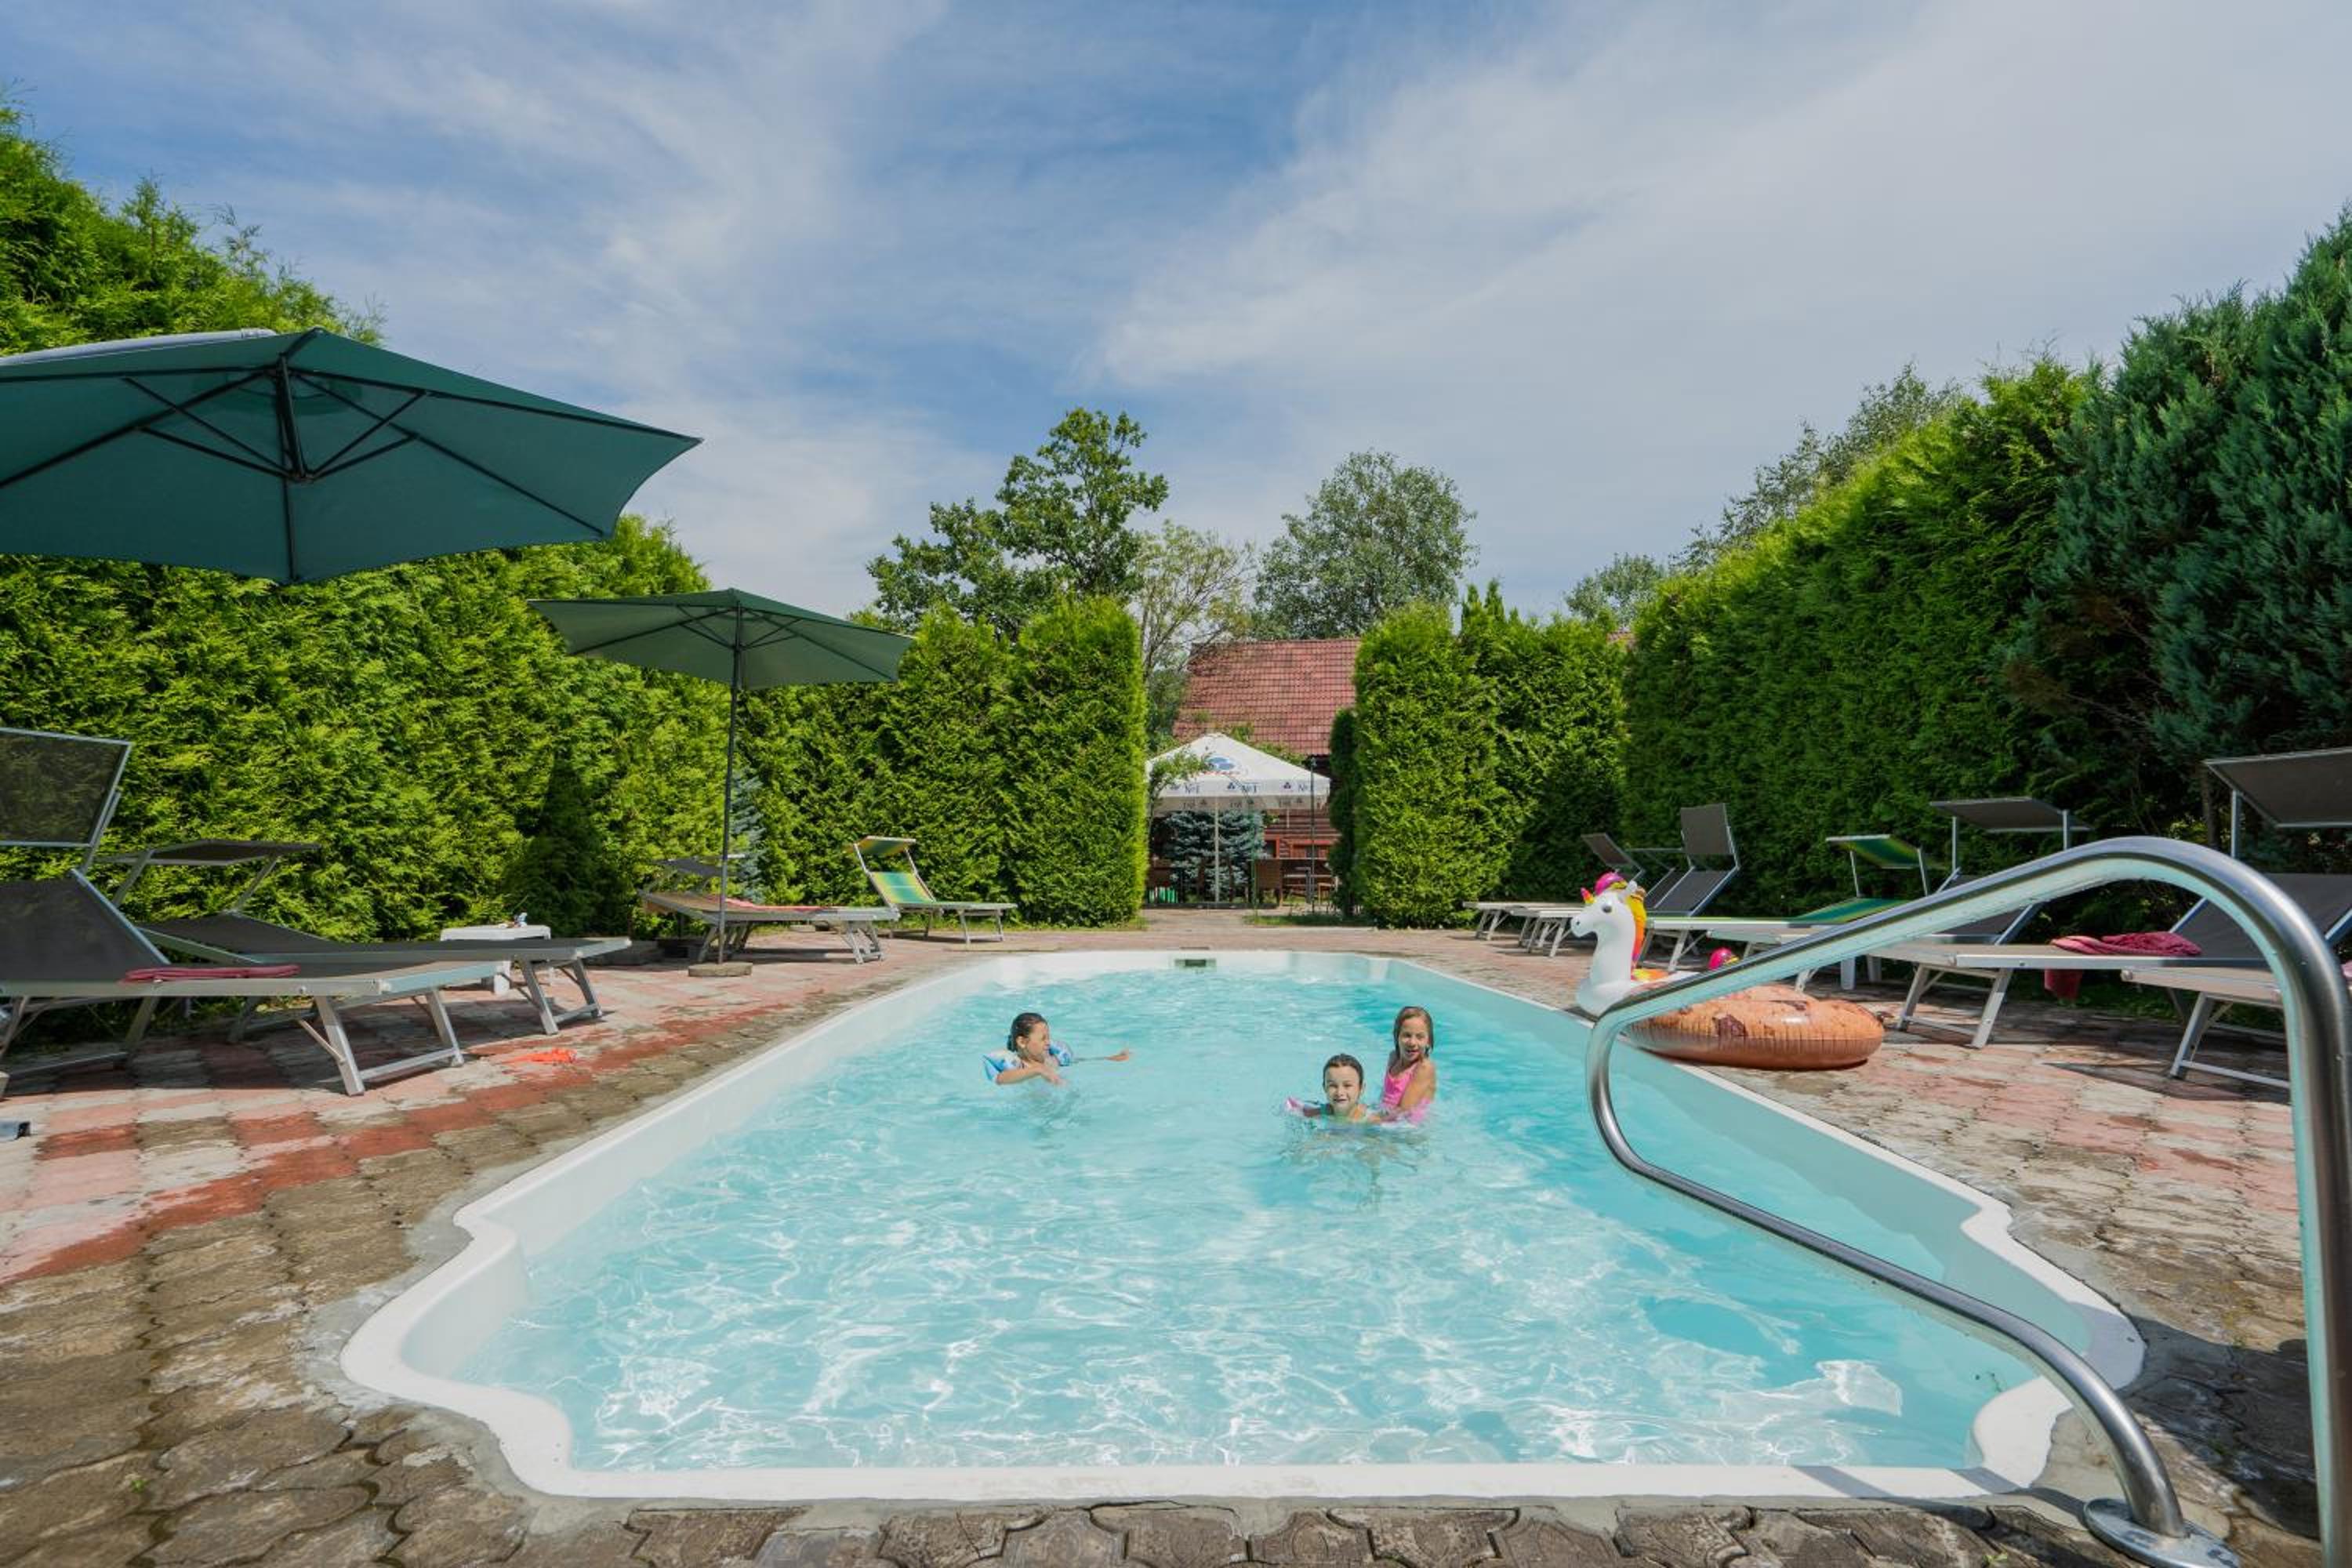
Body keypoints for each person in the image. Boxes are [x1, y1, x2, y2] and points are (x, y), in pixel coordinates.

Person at [988, 1011, 1129, 1087]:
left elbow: (1074, 1061)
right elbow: (1000, 1079)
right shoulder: (1019, 1065)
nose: (1048, 1043)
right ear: (1022, 1042)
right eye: (1043, 1038)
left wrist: (1108, 1058)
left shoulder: (1050, 1058)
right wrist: (1037, 1070)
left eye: (1048, 1037)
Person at [1379, 1006, 1437, 1120]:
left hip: (1408, 1125)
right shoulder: (1393, 1058)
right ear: (1397, 1036)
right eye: (1407, 1035)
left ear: (1428, 1041)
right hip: (1389, 1118)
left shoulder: (1424, 1068)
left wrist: (1372, 1120)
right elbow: (1384, 1096)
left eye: (1420, 1037)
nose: (1412, 1042)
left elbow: (1404, 1110)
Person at [1289, 1053, 1373, 1122]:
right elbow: (1292, 1107)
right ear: (1325, 1088)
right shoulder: (1317, 1114)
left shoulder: (1371, 1120)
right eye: (1333, 1085)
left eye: (1347, 1085)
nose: (1339, 1093)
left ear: (1361, 1089)